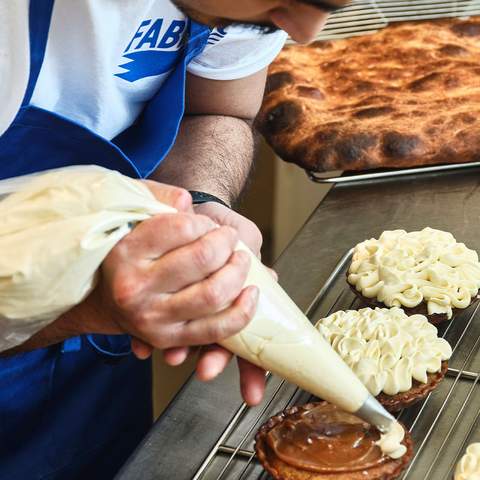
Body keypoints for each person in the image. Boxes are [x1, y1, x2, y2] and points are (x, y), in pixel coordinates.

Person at [0, 0, 344, 478]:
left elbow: (217, 109)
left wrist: (199, 203)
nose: (306, 32)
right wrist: (87, 303)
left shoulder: (247, 7)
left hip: (93, 380)